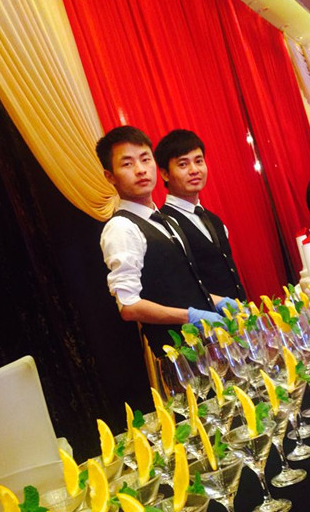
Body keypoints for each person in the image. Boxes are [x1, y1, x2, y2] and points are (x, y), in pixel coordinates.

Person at [96, 126, 228, 355]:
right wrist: (190, 316)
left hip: (209, 347)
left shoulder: (166, 220)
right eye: (127, 164)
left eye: (145, 159)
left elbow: (180, 287)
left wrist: (218, 301)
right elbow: (128, 306)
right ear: (110, 176)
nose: (140, 170)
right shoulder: (121, 228)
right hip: (179, 357)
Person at [154, 129, 245, 301]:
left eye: (199, 161)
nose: (194, 170)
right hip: (205, 317)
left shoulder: (213, 219)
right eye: (183, 164)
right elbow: (179, 287)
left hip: (240, 312)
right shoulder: (163, 225)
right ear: (165, 174)